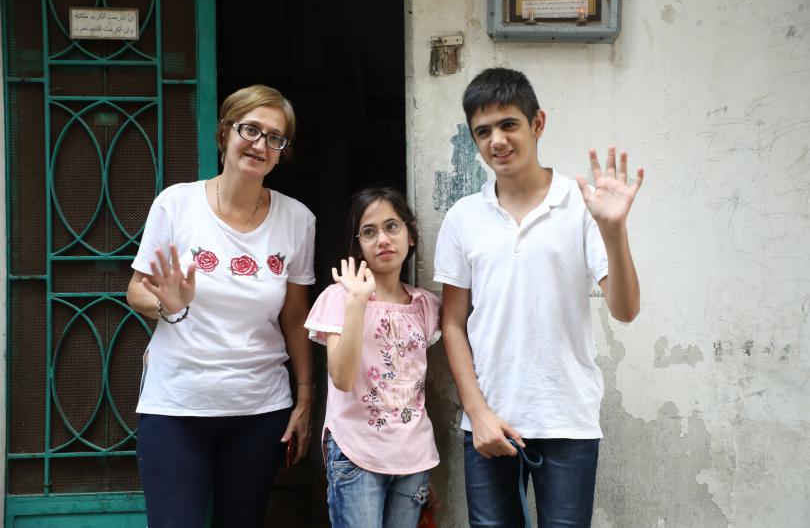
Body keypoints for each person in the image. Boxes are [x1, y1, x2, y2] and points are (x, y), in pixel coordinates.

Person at [434, 67, 644, 527]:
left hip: (567, 418)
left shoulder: (582, 203)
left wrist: (614, 231)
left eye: (509, 124)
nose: (497, 141)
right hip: (489, 422)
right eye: (483, 131)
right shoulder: (463, 217)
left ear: (537, 123)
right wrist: (477, 412)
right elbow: (452, 322)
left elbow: (625, 310)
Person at [126, 84, 315, 528]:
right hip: (177, 404)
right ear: (226, 132)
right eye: (250, 129)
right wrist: (167, 304)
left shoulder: (298, 219)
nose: (260, 144)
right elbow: (136, 289)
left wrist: (305, 398)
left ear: (282, 151)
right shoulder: (177, 204)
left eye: (275, 137)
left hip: (260, 409)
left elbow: (294, 315)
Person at [304, 187, 441, 528]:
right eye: (369, 231)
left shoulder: (426, 305)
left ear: (411, 236)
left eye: (392, 226)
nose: (382, 239)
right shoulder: (339, 298)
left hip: (413, 459)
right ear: (358, 245)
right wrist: (357, 302)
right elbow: (343, 378)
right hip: (356, 454)